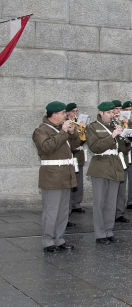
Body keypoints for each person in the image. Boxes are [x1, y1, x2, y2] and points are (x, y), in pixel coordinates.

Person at [32, 101, 78, 253]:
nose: (66, 115)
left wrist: (72, 132)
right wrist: (64, 133)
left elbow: (76, 144)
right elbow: (47, 147)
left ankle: (59, 239)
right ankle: (48, 241)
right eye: (63, 113)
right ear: (54, 115)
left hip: (65, 174)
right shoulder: (41, 131)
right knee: (51, 210)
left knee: (63, 210)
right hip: (52, 176)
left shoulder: (60, 130)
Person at [86, 101, 128, 245]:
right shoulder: (93, 127)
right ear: (101, 113)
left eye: (112, 113)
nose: (111, 115)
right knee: (100, 202)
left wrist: (124, 136)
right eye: (109, 113)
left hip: (115, 166)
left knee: (111, 202)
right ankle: (100, 233)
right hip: (100, 166)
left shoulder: (114, 127)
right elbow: (95, 147)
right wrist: (112, 136)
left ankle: (109, 231)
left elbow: (123, 149)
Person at [65, 102, 86, 215]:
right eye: (73, 111)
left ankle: (76, 203)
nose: (75, 113)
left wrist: (82, 130)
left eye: (76, 111)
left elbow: (84, 140)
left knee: (78, 180)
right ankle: (68, 205)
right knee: (69, 181)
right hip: (69, 154)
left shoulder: (78, 123)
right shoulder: (65, 124)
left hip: (78, 154)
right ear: (67, 112)